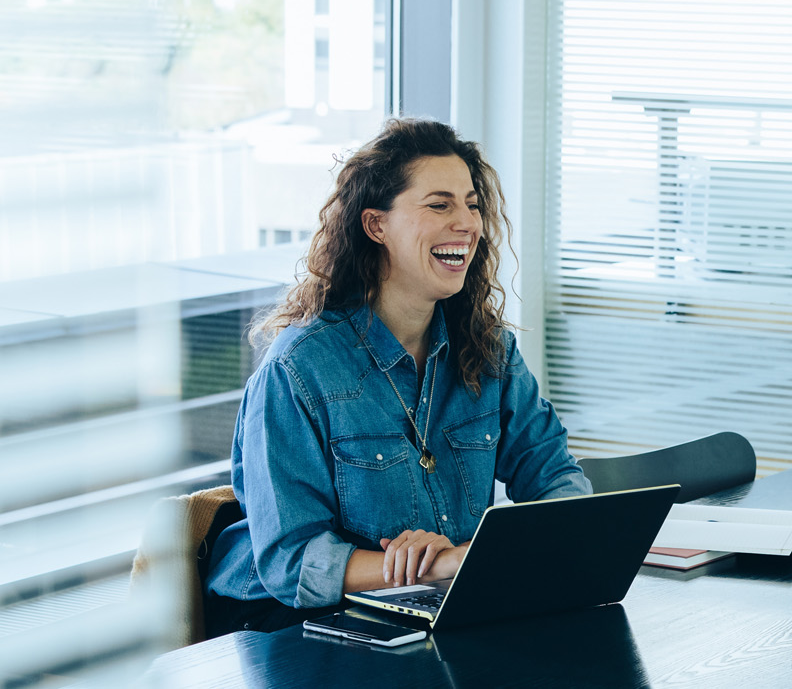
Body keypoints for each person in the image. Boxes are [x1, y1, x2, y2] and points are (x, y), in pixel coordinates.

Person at [203, 118, 592, 636]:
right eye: (439, 205)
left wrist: (528, 544)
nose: (468, 224)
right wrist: (440, 565)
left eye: (472, 204)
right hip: (289, 625)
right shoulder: (296, 368)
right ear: (376, 226)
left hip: (430, 607)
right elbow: (293, 562)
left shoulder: (489, 348)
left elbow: (555, 477)